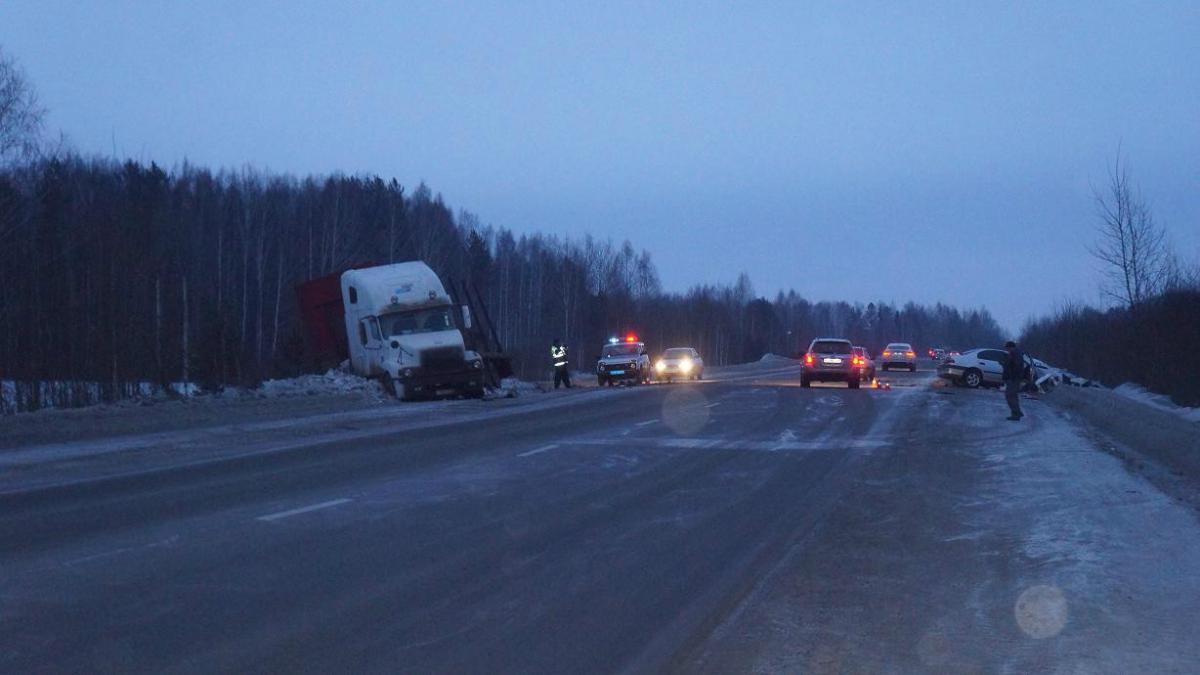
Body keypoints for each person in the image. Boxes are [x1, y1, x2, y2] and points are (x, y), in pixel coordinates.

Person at [1002, 340, 1026, 421]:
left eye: (1007, 348)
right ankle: (1017, 413)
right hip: (1015, 378)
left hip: (1014, 379)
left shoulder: (1015, 353)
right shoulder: (1015, 353)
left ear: (1011, 347)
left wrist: (1012, 376)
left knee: (1009, 395)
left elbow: (1016, 366)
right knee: (1013, 396)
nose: (1007, 350)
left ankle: (1016, 413)